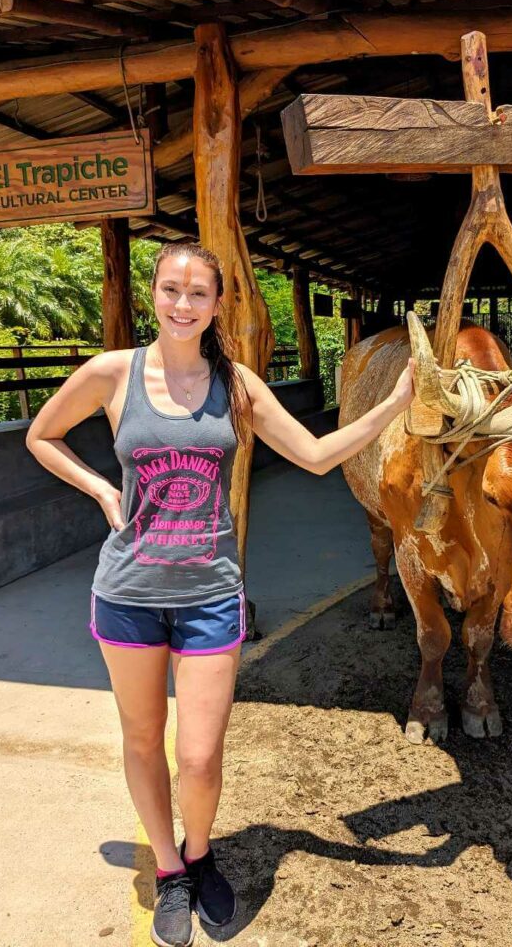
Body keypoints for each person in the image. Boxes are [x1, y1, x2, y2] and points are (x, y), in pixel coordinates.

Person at [26, 242, 415, 947]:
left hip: (210, 593)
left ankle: (201, 855)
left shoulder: (235, 386)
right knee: (144, 740)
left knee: (201, 755)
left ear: (216, 303)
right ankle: (170, 869)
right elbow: (42, 435)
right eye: (170, 290)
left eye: (197, 293)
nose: (182, 304)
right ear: (153, 295)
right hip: (129, 592)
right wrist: (102, 489)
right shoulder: (113, 374)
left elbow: (319, 456)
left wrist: (394, 403)